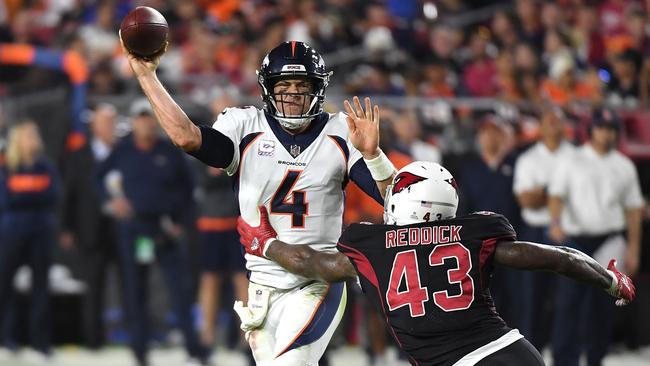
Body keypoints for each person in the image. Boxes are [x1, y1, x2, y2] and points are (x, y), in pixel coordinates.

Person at [121, 37, 396, 366]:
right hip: (262, 285)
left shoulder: (340, 131)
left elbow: (394, 198)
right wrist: (146, 75)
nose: (293, 93)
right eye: (284, 85)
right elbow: (186, 137)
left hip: (317, 281)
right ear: (268, 88)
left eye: (302, 84)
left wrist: (374, 155)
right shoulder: (244, 125)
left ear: (318, 88)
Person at [237, 161, 636, 366]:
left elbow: (312, 262)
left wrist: (265, 243)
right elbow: (557, 258)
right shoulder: (472, 234)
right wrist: (610, 280)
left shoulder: (373, 246)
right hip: (511, 353)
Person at [97, 110, 207, 366]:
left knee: (178, 289)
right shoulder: (123, 150)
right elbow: (98, 176)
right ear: (133, 124)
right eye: (140, 120)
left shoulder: (169, 151)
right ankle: (140, 350)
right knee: (136, 289)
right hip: (137, 230)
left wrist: (180, 223)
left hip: (165, 228)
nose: (145, 125)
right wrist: (111, 202)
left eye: (149, 120)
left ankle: (193, 348)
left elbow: (189, 190)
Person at [548, 107, 644, 366]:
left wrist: (634, 248)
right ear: (591, 130)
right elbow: (556, 195)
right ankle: (563, 360)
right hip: (576, 239)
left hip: (610, 239)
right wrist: (555, 221)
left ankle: (595, 358)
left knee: (601, 307)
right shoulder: (571, 159)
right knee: (568, 304)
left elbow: (633, 210)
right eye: (602, 128)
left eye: (612, 129)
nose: (607, 134)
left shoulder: (624, 165)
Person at [512, 106, 575, 349]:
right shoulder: (529, 158)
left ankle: (564, 353)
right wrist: (557, 193)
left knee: (567, 299)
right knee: (532, 298)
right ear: (541, 127)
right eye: (549, 121)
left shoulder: (576, 156)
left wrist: (543, 191)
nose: (554, 126)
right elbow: (525, 200)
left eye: (558, 121)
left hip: (569, 232)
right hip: (535, 232)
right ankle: (532, 352)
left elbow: (579, 197)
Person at [60, 103, 119, 349]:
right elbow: (69, 193)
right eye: (104, 122)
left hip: (123, 230)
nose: (109, 127)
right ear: (94, 125)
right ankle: (93, 340)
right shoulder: (79, 154)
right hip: (90, 230)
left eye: (112, 122)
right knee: (93, 286)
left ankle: (139, 336)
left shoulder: (124, 152)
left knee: (133, 282)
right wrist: (66, 227)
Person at [0, 121, 59, 361]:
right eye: (28, 135)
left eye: (34, 134)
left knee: (41, 289)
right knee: (4, 287)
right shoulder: (7, 167)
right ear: (17, 140)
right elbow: (6, 200)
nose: (33, 138)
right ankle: (5, 340)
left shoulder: (46, 166)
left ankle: (40, 345)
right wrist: (33, 196)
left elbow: (53, 196)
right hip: (11, 233)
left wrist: (23, 196)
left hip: (41, 232)